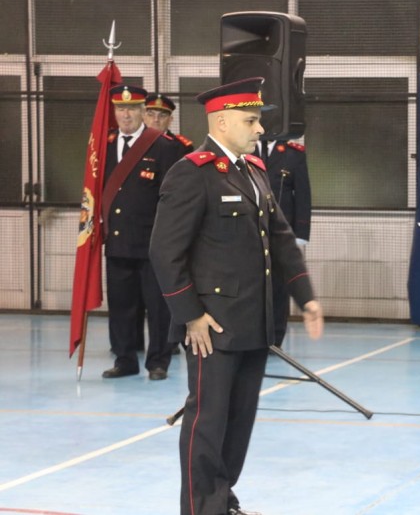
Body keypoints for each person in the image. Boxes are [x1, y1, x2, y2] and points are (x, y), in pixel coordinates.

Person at [149, 77, 324, 515]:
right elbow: (165, 251)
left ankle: (221, 501)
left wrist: (305, 297)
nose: (259, 129)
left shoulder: (254, 171)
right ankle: (200, 508)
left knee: (238, 422)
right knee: (208, 422)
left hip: (253, 322)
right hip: (212, 326)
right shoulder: (192, 173)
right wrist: (190, 315)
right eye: (250, 121)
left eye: (258, 120)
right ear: (222, 122)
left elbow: (281, 239)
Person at [101, 84, 186, 381]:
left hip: (152, 244)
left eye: (132, 109)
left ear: (142, 112)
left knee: (158, 307)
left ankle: (158, 361)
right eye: (120, 109)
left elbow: (173, 198)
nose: (126, 115)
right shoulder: (105, 146)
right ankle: (125, 359)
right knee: (121, 306)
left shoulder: (163, 146)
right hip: (118, 240)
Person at [139, 92, 194, 353]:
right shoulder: (132, 146)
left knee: (168, 289)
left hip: (168, 232)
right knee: (134, 295)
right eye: (151, 114)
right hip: (138, 230)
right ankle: (133, 344)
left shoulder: (181, 147)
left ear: (170, 119)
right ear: (143, 115)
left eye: (162, 115)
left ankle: (169, 342)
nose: (156, 119)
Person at [256, 137, 312, 346]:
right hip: (250, 232)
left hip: (281, 234)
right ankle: (255, 334)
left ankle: (275, 338)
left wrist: (300, 234)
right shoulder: (244, 149)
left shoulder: (293, 154)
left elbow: (303, 194)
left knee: (279, 286)